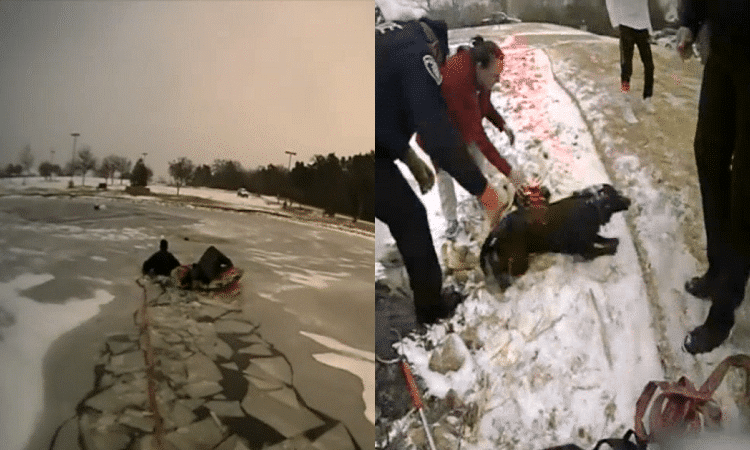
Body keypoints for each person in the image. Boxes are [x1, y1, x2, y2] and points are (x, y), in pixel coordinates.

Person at [376, 16, 507, 325]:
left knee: (405, 215)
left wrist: (405, 154)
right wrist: (485, 192)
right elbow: (436, 130)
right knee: (411, 218)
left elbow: (379, 105)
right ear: (436, 48)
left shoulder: (393, 40)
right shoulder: (418, 52)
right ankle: (431, 308)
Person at [677, 0, 750, 354]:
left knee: (745, 189)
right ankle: (718, 269)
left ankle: (724, 307)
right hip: (723, 45)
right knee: (708, 154)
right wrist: (691, 21)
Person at [416, 35, 524, 240]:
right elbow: (479, 136)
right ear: (480, 67)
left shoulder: (480, 76)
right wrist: (510, 172)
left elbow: (484, 106)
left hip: (462, 123)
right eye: (495, 75)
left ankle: (480, 194)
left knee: (476, 160)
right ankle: (451, 221)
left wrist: (502, 124)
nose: (498, 80)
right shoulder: (458, 79)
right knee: (446, 172)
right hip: (435, 131)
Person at [605, 0, 655, 108]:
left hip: (642, 28)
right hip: (626, 25)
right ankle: (625, 94)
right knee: (627, 65)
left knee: (649, 65)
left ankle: (647, 98)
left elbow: (644, 8)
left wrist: (650, 30)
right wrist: (614, 21)